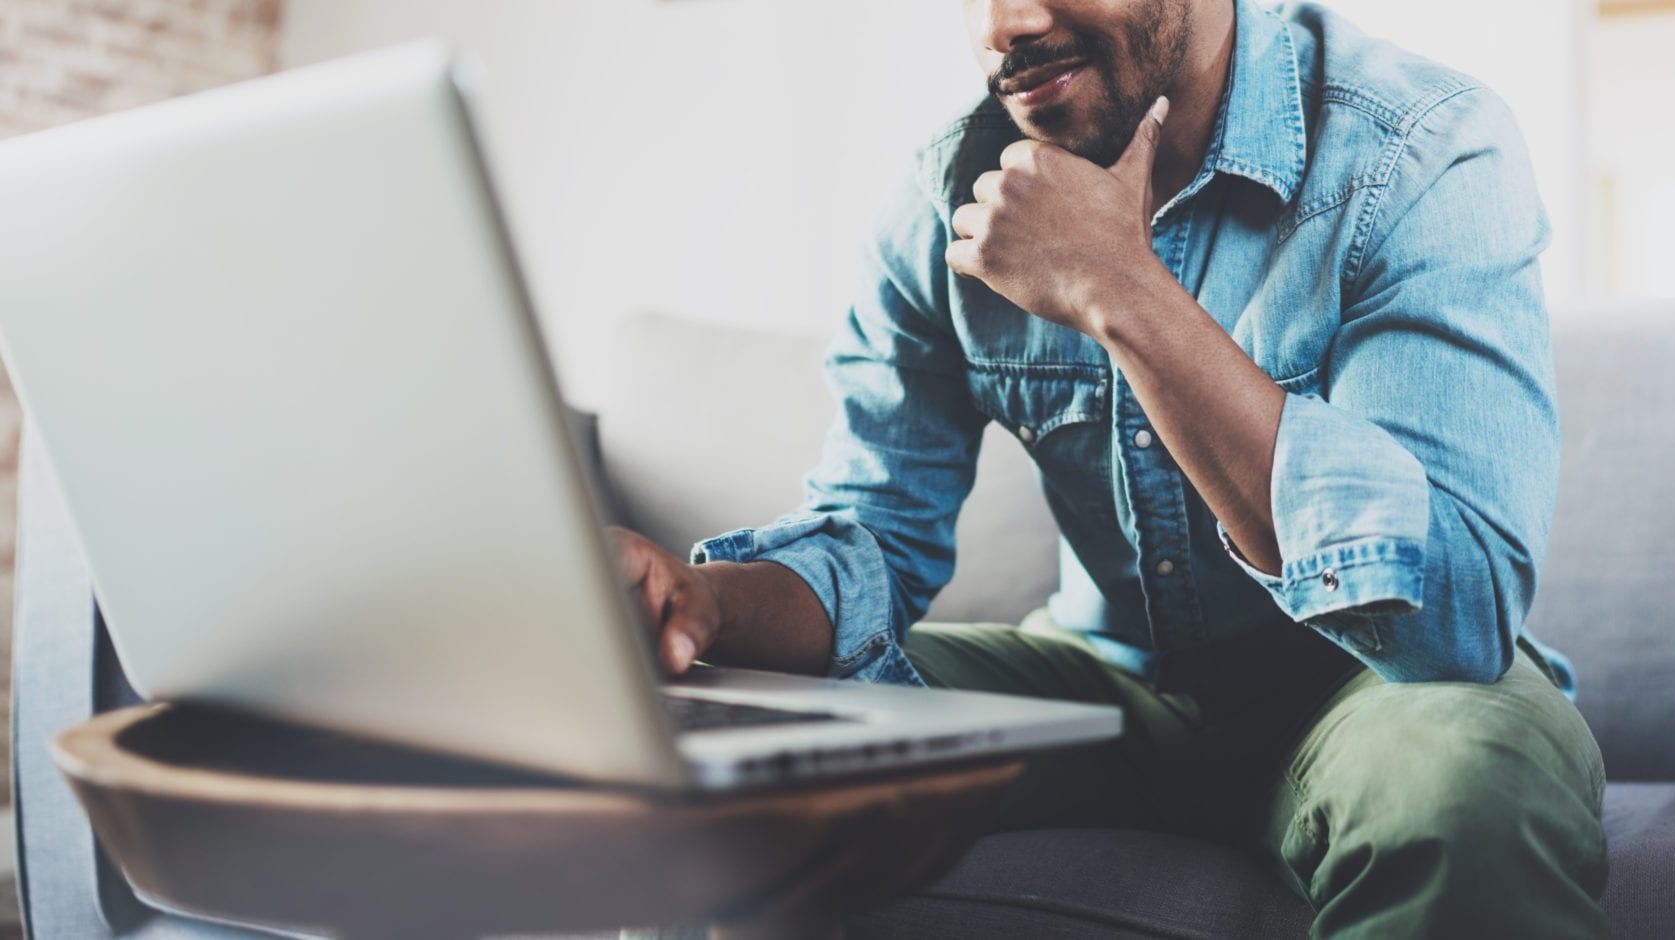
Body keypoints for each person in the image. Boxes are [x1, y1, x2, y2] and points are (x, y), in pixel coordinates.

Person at [609, 0, 1608, 934]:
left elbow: (1459, 612)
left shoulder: (1418, 147)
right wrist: (702, 602)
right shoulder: (945, 197)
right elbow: (874, 533)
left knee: (1467, 780)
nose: (1011, 24)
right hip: (1103, 683)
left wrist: (1120, 288)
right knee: (722, 738)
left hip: (1375, 685)